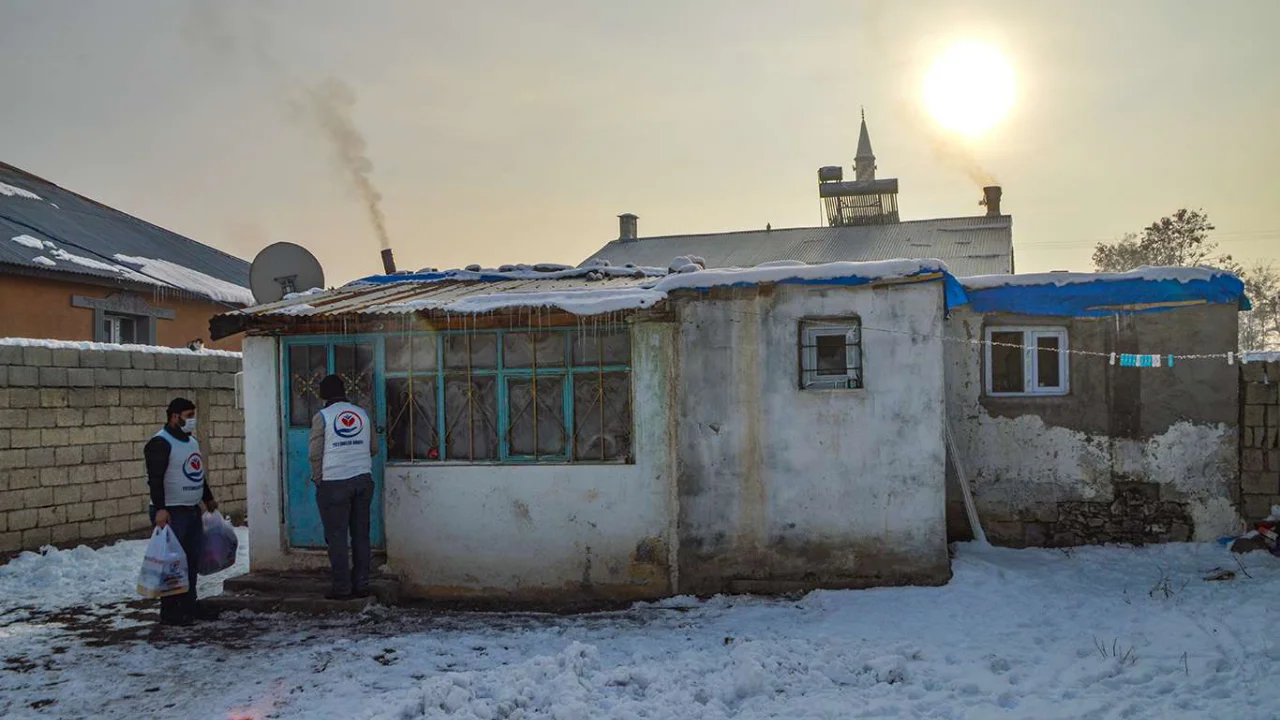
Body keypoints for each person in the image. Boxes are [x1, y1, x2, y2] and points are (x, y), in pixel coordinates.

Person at [145, 397, 219, 626]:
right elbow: (155, 480)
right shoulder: (160, 443)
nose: (192, 421)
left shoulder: (191, 442)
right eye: (188, 416)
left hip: (192, 510)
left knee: (191, 561)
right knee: (172, 564)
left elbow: (198, 473)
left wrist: (208, 498)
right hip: (171, 513)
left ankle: (189, 605)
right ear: (174, 417)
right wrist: (160, 509)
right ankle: (171, 611)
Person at [310, 374, 377, 600]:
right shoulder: (362, 414)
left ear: (323, 395)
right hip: (363, 479)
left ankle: (342, 588)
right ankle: (362, 585)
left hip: (334, 482)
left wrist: (318, 479)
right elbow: (374, 448)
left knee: (337, 537)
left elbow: (314, 453)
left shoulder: (323, 417)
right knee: (361, 536)